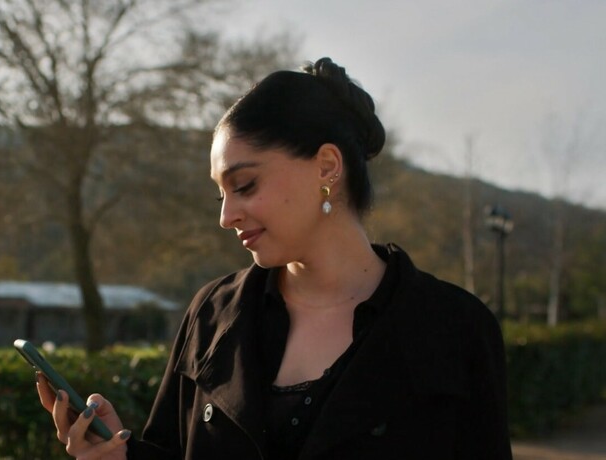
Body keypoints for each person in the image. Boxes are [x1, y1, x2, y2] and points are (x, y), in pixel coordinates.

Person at [36, 57, 512, 460]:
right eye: (221, 194)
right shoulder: (213, 314)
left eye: (244, 186)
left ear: (327, 167)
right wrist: (119, 454)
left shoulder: (454, 328)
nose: (226, 216)